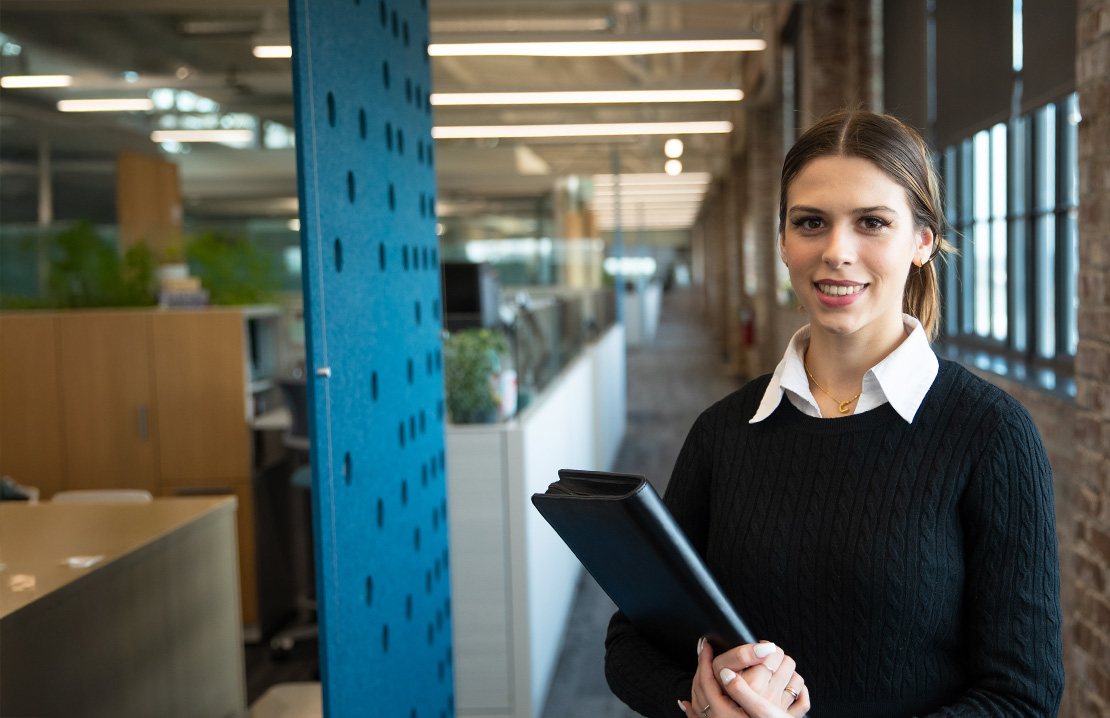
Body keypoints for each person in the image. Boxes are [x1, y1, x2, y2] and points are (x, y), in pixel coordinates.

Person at [603, 109, 1064, 718]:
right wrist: (699, 699)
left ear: (922, 241)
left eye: (872, 222)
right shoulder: (723, 433)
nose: (837, 252)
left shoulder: (992, 435)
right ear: (784, 242)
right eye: (811, 223)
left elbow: (1021, 698)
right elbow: (630, 641)